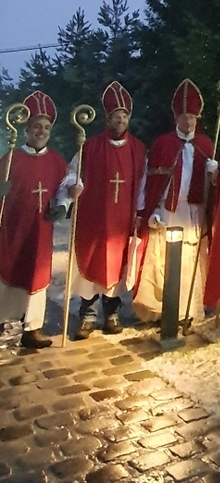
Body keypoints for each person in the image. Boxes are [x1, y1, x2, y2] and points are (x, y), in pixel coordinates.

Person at [59, 82, 147, 339]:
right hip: (93, 216)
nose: (121, 120)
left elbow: (142, 181)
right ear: (108, 119)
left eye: (124, 116)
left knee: (116, 266)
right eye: (116, 116)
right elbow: (72, 172)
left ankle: (112, 314)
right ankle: (87, 316)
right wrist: (74, 185)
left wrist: (140, 210)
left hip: (123, 218)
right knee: (91, 262)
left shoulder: (138, 149)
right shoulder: (90, 146)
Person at [132, 79, 217, 324]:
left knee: (190, 261)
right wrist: (151, 210)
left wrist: (215, 174)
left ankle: (187, 310)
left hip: (193, 212)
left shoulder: (205, 144)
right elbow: (150, 182)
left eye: (192, 117)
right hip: (167, 212)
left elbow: (216, 189)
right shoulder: (163, 144)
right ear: (176, 117)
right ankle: (164, 309)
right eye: (183, 116)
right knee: (164, 260)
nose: (188, 121)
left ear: (197, 118)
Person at [0, 91, 68, 349]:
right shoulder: (10, 158)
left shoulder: (56, 160)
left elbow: (66, 185)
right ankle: (2, 320)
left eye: (46, 127)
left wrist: (64, 203)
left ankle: (32, 328)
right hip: (13, 227)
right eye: (37, 126)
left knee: (37, 272)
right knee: (8, 268)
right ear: (26, 129)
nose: (42, 131)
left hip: (41, 227)